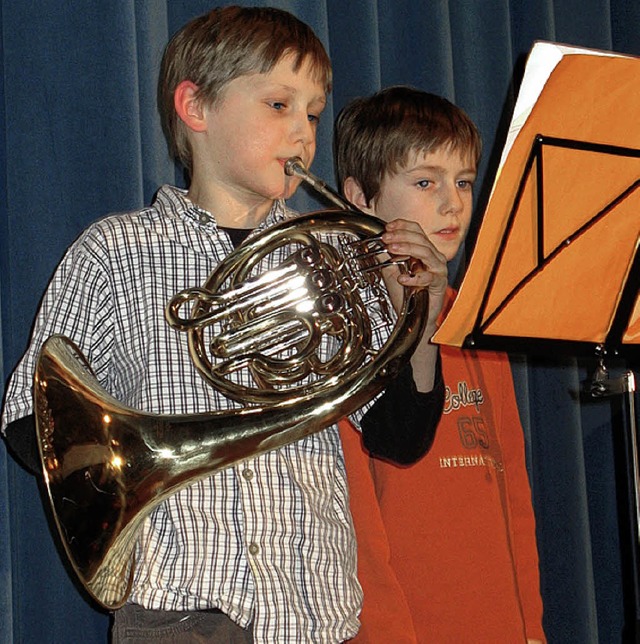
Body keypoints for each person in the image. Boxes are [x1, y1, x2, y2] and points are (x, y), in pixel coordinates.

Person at [1, 8, 447, 643]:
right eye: (278, 104)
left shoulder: (333, 255)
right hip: (179, 611)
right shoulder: (116, 251)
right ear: (196, 107)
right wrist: (120, 473)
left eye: (313, 113)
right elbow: (29, 419)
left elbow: (400, 439)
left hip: (316, 611)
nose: (302, 133)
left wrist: (420, 315)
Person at [334, 86, 546, 643]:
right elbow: (357, 518)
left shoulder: (474, 320)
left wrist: (529, 626)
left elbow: (511, 494)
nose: (454, 203)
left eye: (464, 182)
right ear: (361, 197)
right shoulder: (344, 326)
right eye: (426, 182)